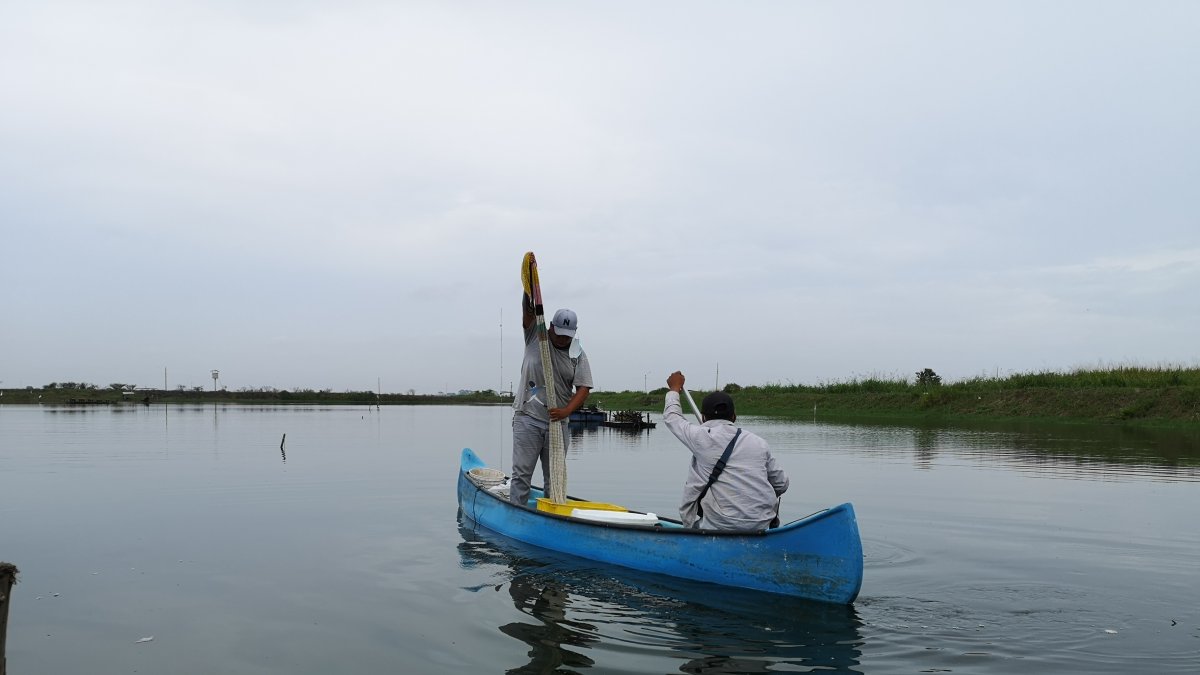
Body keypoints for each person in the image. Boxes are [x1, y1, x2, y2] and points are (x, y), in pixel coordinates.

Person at [662, 371, 788, 530]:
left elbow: (672, 417)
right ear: (734, 416)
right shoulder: (758, 443)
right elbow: (782, 484)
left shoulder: (700, 437)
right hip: (761, 526)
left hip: (718, 527)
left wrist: (674, 389)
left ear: (704, 418)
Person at [509, 294, 593, 507]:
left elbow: (584, 388)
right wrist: (529, 287)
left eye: (567, 335)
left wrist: (567, 411)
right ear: (551, 327)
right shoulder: (535, 336)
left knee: (555, 478)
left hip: (557, 423)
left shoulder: (577, 353)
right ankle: (516, 510)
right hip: (528, 417)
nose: (562, 339)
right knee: (522, 474)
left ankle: (552, 514)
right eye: (559, 333)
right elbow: (527, 313)